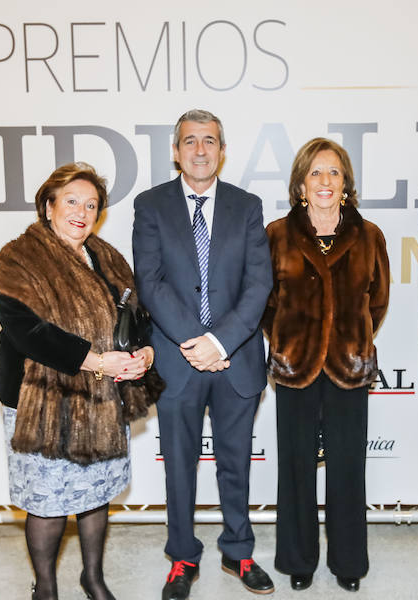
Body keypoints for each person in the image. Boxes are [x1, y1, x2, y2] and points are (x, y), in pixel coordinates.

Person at [0, 162, 158, 600]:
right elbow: (27, 332)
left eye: (91, 204)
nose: (82, 212)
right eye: (71, 202)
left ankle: (93, 578)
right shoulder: (18, 259)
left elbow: (137, 315)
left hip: (102, 401)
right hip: (40, 402)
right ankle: (45, 587)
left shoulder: (107, 256)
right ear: (48, 206)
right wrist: (99, 361)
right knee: (47, 503)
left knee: (95, 493)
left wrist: (144, 350)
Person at [132, 109, 274, 599]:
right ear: (175, 151)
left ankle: (239, 552)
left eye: (209, 140)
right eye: (189, 141)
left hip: (237, 361)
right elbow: (149, 282)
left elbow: (259, 284)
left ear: (222, 149)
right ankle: (182, 559)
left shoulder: (247, 206)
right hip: (176, 360)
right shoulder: (150, 206)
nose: (199, 150)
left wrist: (220, 342)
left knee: (235, 463)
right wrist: (197, 343)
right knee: (179, 465)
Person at [262, 138, 389, 593]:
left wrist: (349, 339)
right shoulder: (276, 234)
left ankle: (349, 563)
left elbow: (377, 302)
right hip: (295, 366)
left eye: (334, 172)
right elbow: (266, 303)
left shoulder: (369, 235)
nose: (325, 181)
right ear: (300, 184)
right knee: (295, 467)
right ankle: (298, 559)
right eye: (315, 172)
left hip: (349, 367)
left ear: (346, 184)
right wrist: (291, 341)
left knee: (347, 468)